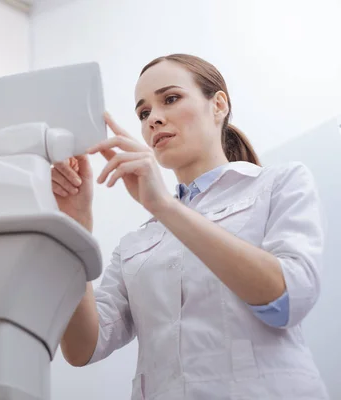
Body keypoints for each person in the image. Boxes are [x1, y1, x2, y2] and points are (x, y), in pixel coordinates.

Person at [52, 54, 328, 400]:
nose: (153, 118)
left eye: (170, 99)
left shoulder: (280, 184)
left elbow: (287, 300)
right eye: (143, 113)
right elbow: (82, 349)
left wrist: (164, 206)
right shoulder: (136, 243)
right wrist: (75, 228)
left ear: (219, 105)